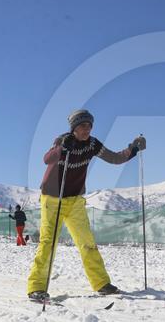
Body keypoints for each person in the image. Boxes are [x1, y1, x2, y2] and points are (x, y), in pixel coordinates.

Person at [26, 109, 146, 302]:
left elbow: (114, 158)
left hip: (75, 200)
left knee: (87, 242)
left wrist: (133, 149)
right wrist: (62, 149)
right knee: (48, 243)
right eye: (83, 125)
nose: (87, 129)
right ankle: (36, 287)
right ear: (74, 127)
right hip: (53, 198)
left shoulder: (92, 144)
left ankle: (101, 283)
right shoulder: (62, 140)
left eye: (89, 125)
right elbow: (46, 159)